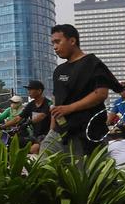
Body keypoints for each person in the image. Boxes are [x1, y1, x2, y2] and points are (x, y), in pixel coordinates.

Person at [45, 23, 120, 158]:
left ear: (72, 41)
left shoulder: (92, 63)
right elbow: (56, 102)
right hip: (59, 132)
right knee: (43, 167)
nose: (54, 47)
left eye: (58, 42)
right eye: (52, 43)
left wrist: (69, 108)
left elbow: (101, 94)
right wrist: (52, 129)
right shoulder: (59, 70)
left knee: (88, 176)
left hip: (87, 132)